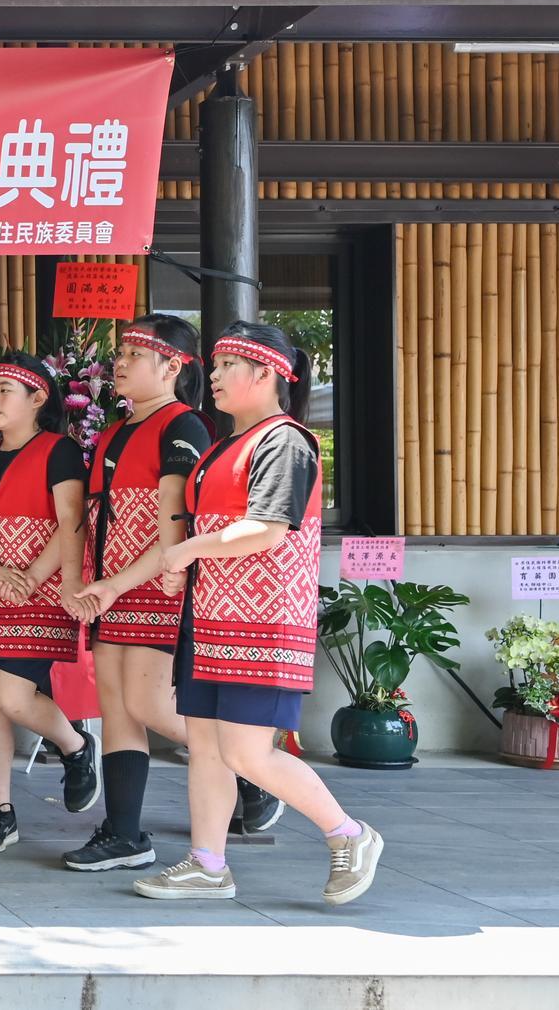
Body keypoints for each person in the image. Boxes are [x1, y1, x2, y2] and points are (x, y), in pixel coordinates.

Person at [84, 321, 382, 905]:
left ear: (266, 374)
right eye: (214, 365)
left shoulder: (287, 441)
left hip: (262, 624)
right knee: (206, 745)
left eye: (226, 367)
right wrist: (181, 564)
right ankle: (207, 862)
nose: (213, 377)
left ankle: (349, 833)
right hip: (210, 618)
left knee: (246, 752)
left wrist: (185, 551)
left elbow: (267, 529)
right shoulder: (222, 447)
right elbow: (208, 528)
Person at [59, 316, 284, 873]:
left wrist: (116, 583)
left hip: (156, 586)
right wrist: (86, 583)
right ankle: (125, 832)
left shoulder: (182, 425)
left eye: (136, 353)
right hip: (109, 588)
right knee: (115, 709)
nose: (121, 362)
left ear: (172, 365)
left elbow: (174, 527)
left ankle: (253, 770)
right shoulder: (113, 431)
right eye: (121, 353)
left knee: (147, 703)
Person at [0, 353, 101, 855]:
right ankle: (0, 812)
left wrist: (33, 578)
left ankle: (77, 746)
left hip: (38, 586)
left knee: (14, 698)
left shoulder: (59, 450)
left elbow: (72, 520)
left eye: (4, 392)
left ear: (38, 399)